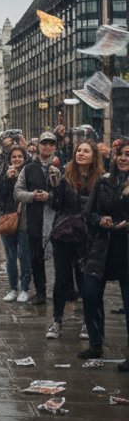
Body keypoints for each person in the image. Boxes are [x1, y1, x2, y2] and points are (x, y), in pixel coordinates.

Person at [78, 139, 129, 368]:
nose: (123, 158)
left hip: (126, 248)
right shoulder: (104, 182)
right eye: (120, 154)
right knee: (90, 294)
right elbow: (89, 213)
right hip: (102, 246)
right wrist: (101, 219)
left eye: (127, 154)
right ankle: (95, 344)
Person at [46, 138, 103, 340]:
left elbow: (100, 208)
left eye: (85, 151)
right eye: (79, 150)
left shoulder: (100, 180)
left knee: (86, 280)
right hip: (63, 234)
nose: (80, 153)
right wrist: (54, 188)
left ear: (93, 156)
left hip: (87, 238)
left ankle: (87, 322)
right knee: (61, 279)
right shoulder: (65, 176)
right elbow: (56, 205)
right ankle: (57, 321)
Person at [14, 130, 61, 304]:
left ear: (55, 147)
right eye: (44, 143)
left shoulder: (61, 168)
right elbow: (17, 192)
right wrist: (32, 196)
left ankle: (64, 291)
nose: (47, 147)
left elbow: (67, 196)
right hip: (33, 219)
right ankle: (40, 292)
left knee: (60, 259)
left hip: (56, 220)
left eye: (51, 144)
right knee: (36, 258)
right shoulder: (28, 168)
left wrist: (50, 196)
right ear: (39, 145)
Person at [0, 145, 32, 303]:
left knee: (24, 255)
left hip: (25, 219)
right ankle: (13, 288)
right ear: (9, 159)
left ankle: (25, 288)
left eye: (20, 156)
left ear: (24, 158)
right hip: (8, 219)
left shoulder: (29, 173)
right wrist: (7, 179)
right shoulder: (4, 174)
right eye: (14, 157)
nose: (17, 159)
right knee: (10, 256)